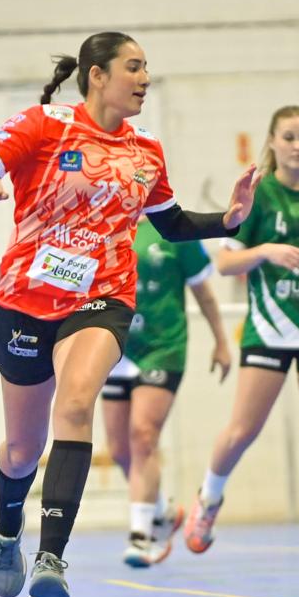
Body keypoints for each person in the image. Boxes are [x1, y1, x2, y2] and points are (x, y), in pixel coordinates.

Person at [0, 31, 259, 597]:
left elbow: (173, 223)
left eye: (147, 69)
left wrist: (230, 219)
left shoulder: (146, 152)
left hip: (103, 298)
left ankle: (52, 558)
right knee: (21, 448)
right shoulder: (45, 125)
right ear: (97, 75)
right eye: (133, 68)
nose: (144, 79)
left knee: (77, 403)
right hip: (27, 301)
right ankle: (6, 531)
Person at [184, 105, 299, 570]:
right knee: (243, 431)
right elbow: (224, 263)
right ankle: (208, 499)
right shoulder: (259, 193)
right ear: (274, 142)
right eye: (290, 138)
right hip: (270, 330)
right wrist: (268, 251)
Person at [101, 216, 232, 567]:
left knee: (143, 436)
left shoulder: (177, 229)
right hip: (116, 348)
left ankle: (142, 534)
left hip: (163, 348)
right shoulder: (106, 223)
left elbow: (203, 294)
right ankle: (163, 513)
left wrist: (221, 341)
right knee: (118, 449)